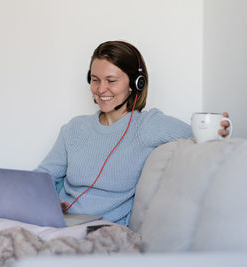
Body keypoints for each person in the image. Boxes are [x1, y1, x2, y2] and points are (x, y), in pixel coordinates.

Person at [36, 40, 230, 226]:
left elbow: (198, 135)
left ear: (135, 84)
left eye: (111, 80)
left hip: (105, 233)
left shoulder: (147, 125)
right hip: (58, 225)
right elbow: (42, 178)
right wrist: (48, 204)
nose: (101, 89)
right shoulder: (74, 128)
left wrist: (218, 132)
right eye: (95, 80)